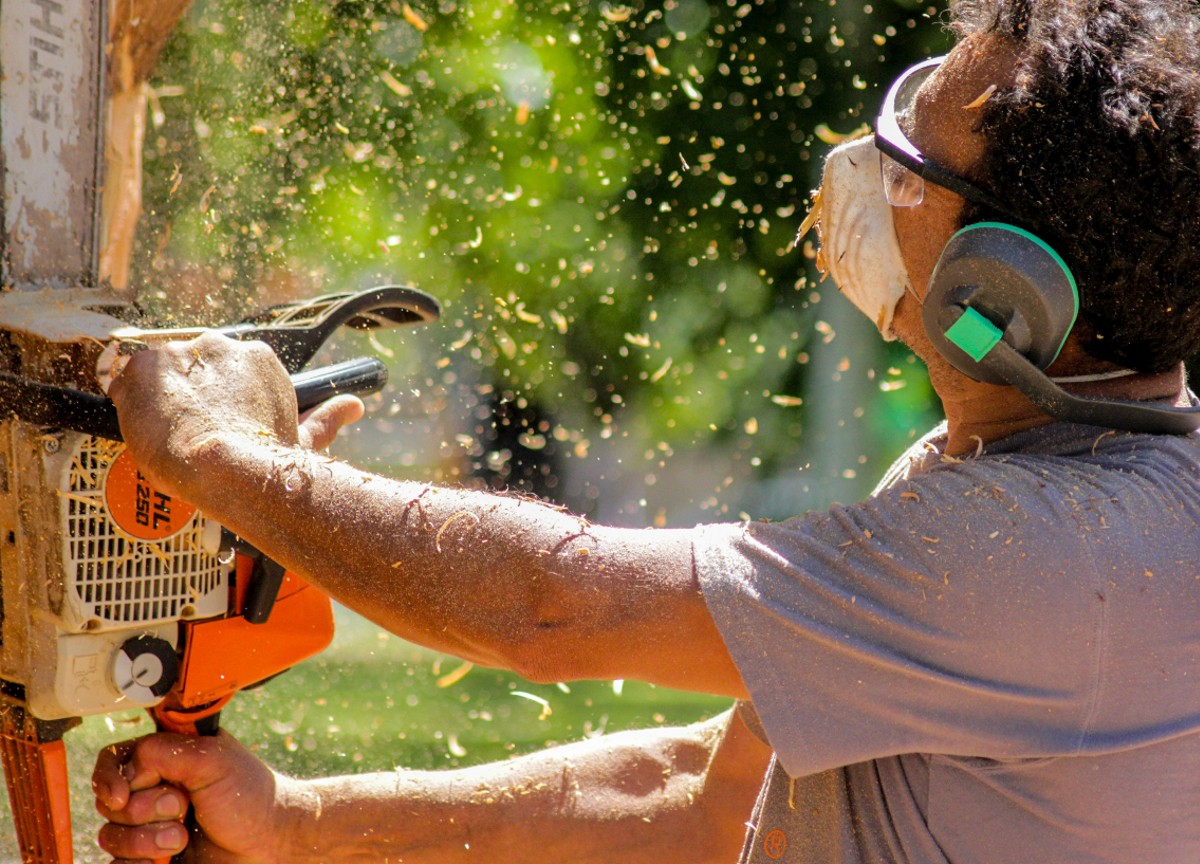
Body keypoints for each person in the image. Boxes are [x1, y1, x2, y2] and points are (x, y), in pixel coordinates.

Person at [93, 1, 1200, 862]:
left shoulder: (1041, 554)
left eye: (914, 168)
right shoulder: (1059, 486)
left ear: (1000, 292)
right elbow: (713, 806)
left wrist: (214, 453)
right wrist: (298, 825)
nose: (871, 173)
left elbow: (552, 605)